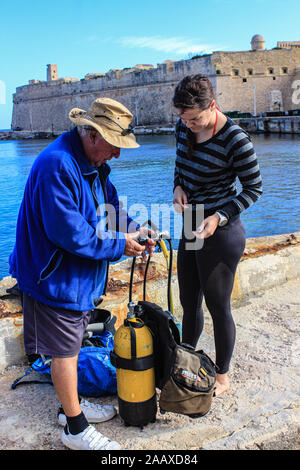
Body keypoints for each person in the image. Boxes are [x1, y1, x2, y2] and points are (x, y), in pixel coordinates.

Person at [9, 97, 155, 451]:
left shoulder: (92, 161)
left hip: (77, 278)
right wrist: (122, 245)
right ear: (92, 135)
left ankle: (67, 405)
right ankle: (74, 429)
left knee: (72, 345)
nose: (118, 155)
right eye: (114, 145)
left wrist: (137, 229)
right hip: (54, 278)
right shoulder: (56, 165)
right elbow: (71, 235)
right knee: (65, 352)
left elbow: (111, 210)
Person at [172, 75, 263, 397]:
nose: (189, 125)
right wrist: (178, 187)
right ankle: (185, 361)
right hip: (192, 221)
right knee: (188, 301)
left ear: (212, 106)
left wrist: (218, 216)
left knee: (217, 305)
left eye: (195, 118)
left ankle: (223, 375)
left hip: (221, 229)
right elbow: (180, 165)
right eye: (183, 119)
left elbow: (254, 189)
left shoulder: (235, 139)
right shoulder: (184, 127)